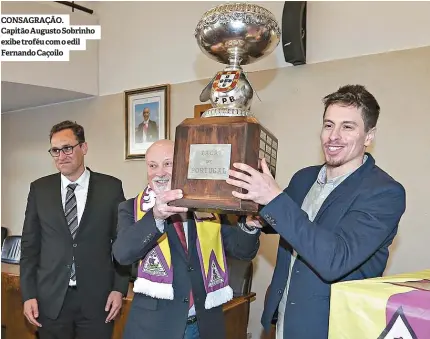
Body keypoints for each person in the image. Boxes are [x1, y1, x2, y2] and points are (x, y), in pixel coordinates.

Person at [226, 85, 407, 339]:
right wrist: (250, 224)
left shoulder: (385, 193)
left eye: (347, 127)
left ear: (369, 136)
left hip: (334, 329)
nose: (333, 136)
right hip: (282, 326)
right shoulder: (303, 179)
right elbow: (243, 247)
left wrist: (274, 198)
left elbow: (335, 260)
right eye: (328, 125)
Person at [112, 139, 260, 339]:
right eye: (152, 165)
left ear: (184, 164)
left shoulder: (208, 206)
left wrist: (251, 226)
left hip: (205, 325)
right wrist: (155, 217)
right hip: (154, 328)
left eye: (167, 163)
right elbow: (122, 254)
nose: (160, 172)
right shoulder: (131, 209)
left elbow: (242, 251)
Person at [20, 120, 130, 339]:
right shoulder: (39, 189)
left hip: (98, 301)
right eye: (55, 150)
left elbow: (122, 242)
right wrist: (28, 295)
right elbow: (30, 247)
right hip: (50, 301)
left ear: (84, 148)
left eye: (68, 148)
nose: (62, 156)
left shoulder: (110, 188)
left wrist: (119, 288)